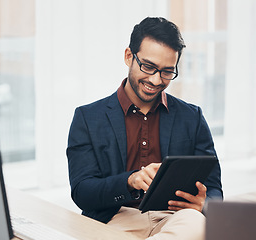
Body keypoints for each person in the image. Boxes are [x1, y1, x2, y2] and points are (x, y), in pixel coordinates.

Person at [67, 17, 223, 240]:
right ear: (129, 56)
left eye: (167, 71)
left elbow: (214, 188)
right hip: (115, 218)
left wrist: (204, 204)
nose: (156, 79)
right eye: (148, 66)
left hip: (176, 218)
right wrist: (130, 181)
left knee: (197, 223)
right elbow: (82, 192)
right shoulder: (87, 118)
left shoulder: (192, 117)